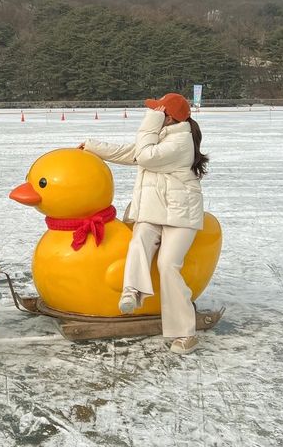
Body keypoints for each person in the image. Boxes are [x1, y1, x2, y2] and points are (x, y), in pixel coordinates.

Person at [78, 92, 209, 355]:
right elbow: (131, 152)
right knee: (139, 240)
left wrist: (151, 121)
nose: (150, 114)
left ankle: (185, 332)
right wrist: (91, 146)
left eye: (156, 111)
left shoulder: (181, 141)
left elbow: (146, 156)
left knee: (167, 265)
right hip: (153, 210)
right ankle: (131, 291)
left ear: (167, 117)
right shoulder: (160, 137)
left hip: (181, 214)